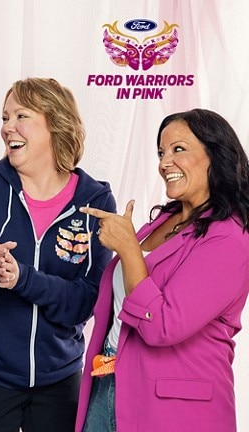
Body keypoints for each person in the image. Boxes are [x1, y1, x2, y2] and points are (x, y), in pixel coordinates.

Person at [0, 78, 117, 432]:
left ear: (55, 123)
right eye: (5, 117)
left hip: (60, 378)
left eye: (21, 116)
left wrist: (25, 279)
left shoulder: (95, 203)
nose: (8, 127)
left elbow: (86, 302)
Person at [76, 109, 249, 432]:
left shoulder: (230, 237)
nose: (165, 162)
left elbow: (163, 326)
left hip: (176, 411)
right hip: (109, 384)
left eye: (178, 149)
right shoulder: (165, 219)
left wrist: (128, 248)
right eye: (161, 152)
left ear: (215, 154)